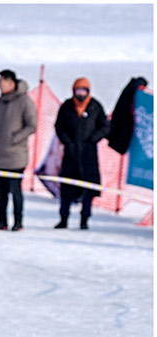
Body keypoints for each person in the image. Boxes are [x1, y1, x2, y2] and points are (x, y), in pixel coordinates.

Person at [54, 77, 110, 230]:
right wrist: (68, 142)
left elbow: (105, 127)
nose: (81, 94)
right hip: (71, 153)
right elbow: (59, 127)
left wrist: (93, 139)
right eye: (78, 90)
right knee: (67, 189)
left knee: (88, 190)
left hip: (88, 155)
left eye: (84, 90)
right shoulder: (66, 106)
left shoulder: (95, 106)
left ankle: (84, 219)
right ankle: (63, 218)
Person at [0, 69, 37, 232]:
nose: (0, 86)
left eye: (2, 82)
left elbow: (32, 125)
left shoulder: (24, 101)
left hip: (16, 157)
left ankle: (18, 222)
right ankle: (1, 221)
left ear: (11, 83)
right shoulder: (0, 101)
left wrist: (14, 138)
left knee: (15, 191)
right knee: (0, 192)